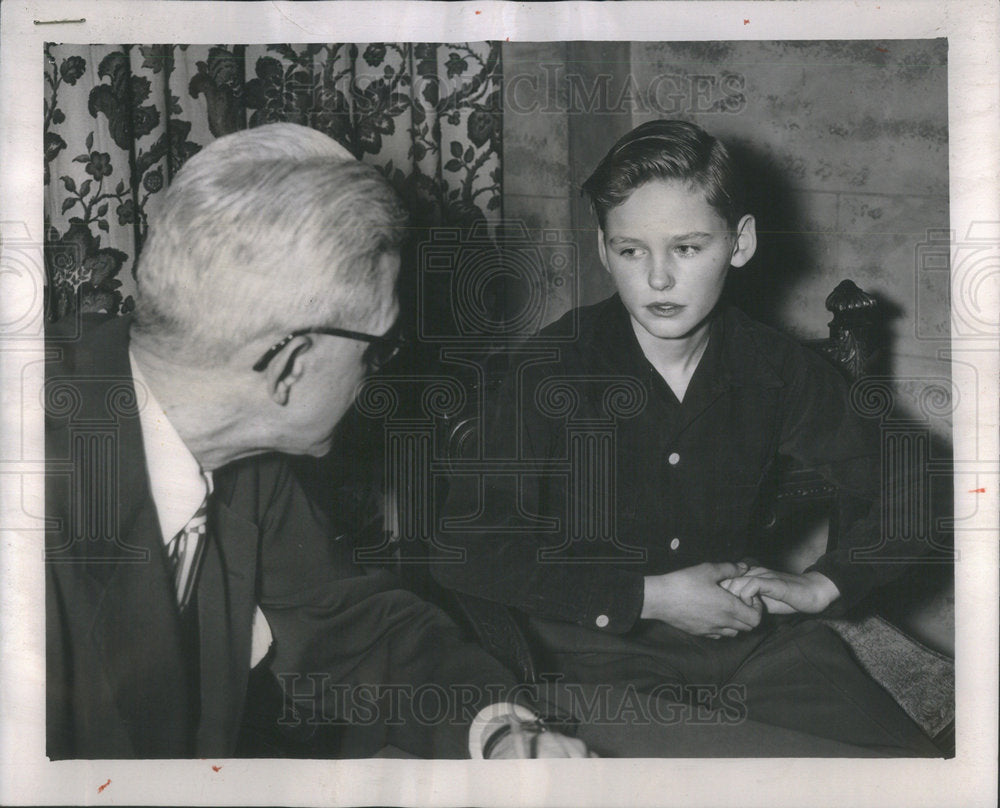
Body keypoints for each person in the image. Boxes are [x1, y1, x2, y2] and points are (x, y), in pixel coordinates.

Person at [44, 122, 586, 760]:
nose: (378, 374)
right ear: (289, 366)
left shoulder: (243, 455)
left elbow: (356, 637)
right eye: (380, 348)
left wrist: (500, 733)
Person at [432, 119, 941, 755]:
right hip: (594, 663)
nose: (658, 279)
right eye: (631, 250)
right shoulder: (549, 367)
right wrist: (646, 596)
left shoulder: (776, 367)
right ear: (601, 248)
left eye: (687, 248)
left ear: (741, 242)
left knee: (906, 771)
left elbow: (920, 484)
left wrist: (825, 582)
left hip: (750, 647)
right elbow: (466, 548)